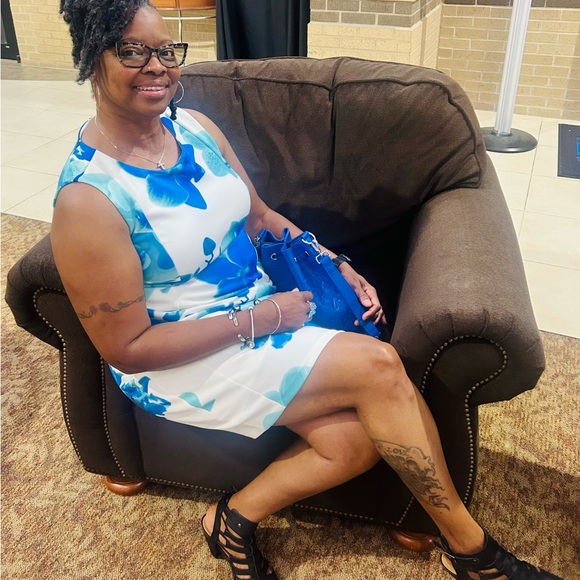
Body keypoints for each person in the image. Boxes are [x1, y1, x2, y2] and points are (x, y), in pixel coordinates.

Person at [53, 2, 560, 579]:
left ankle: (231, 519)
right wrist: (264, 318)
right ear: (91, 57)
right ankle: (474, 553)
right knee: (379, 368)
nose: (158, 66)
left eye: (167, 50)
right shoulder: (88, 199)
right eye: (132, 51)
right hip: (179, 357)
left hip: (258, 309)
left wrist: (334, 262)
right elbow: (127, 349)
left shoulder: (193, 127)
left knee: (356, 441)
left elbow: (259, 216)